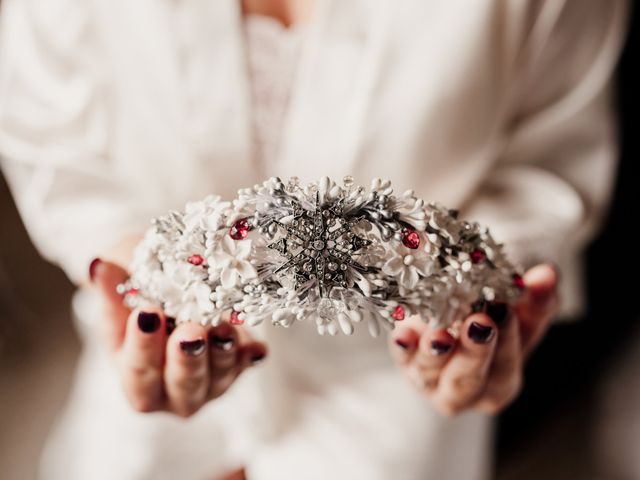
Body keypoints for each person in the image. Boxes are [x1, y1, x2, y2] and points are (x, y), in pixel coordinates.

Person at [0, 1, 627, 479]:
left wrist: (489, 296)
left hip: (398, 372)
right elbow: (49, 132)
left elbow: (548, 157)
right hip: (158, 332)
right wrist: (124, 261)